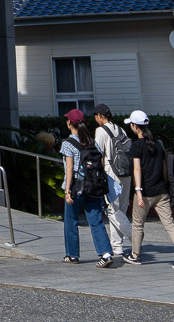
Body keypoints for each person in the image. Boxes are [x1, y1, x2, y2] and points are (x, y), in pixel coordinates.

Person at [124, 109, 174, 269]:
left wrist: (138, 192)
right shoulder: (158, 144)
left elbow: (137, 170)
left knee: (138, 224)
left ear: (134, 126)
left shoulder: (136, 146)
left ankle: (135, 255)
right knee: (169, 225)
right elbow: (164, 168)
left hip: (146, 192)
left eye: (131, 125)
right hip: (162, 191)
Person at [60, 109, 115, 266]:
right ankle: (105, 254)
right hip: (93, 186)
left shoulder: (67, 144)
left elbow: (69, 168)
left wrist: (67, 190)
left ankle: (72, 255)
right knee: (96, 220)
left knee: (71, 220)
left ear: (70, 123)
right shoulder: (92, 142)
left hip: (76, 186)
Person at [91, 104, 131, 259]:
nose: (95, 120)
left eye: (96, 116)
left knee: (112, 209)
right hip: (126, 172)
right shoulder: (121, 129)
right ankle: (118, 246)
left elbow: (97, 153)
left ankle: (133, 236)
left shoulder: (101, 131)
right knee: (122, 208)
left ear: (100, 116)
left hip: (111, 172)